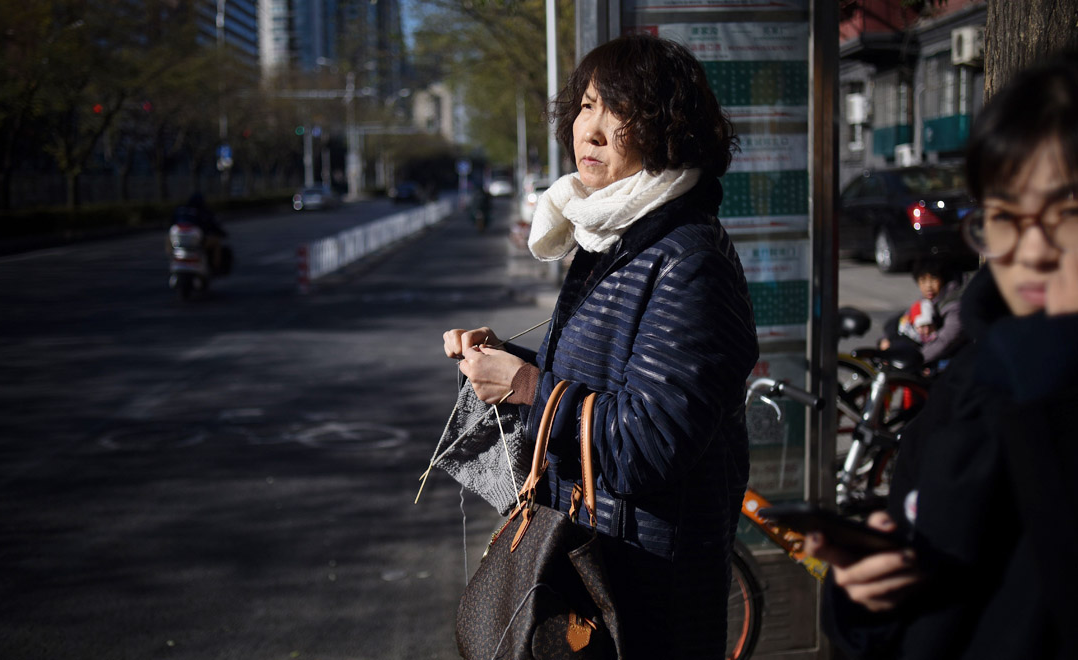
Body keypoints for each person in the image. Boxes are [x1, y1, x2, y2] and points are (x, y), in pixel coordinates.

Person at [441, 34, 757, 659]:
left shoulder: (688, 260)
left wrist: (528, 389)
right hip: (597, 557)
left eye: (621, 112)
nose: (592, 131)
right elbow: (606, 383)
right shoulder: (616, 240)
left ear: (669, 130)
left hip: (647, 591)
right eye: (586, 106)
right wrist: (506, 361)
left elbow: (651, 443)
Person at [805, 51, 1078, 660]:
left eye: (1064, 214)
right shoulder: (968, 391)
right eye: (1005, 217)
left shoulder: (1022, 383)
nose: (1028, 251)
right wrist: (867, 598)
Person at [878, 258, 966, 369]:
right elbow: (904, 319)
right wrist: (886, 339)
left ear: (943, 279)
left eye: (933, 279)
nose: (928, 286)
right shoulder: (925, 302)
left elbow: (945, 341)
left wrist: (914, 361)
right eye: (923, 280)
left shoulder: (953, 306)